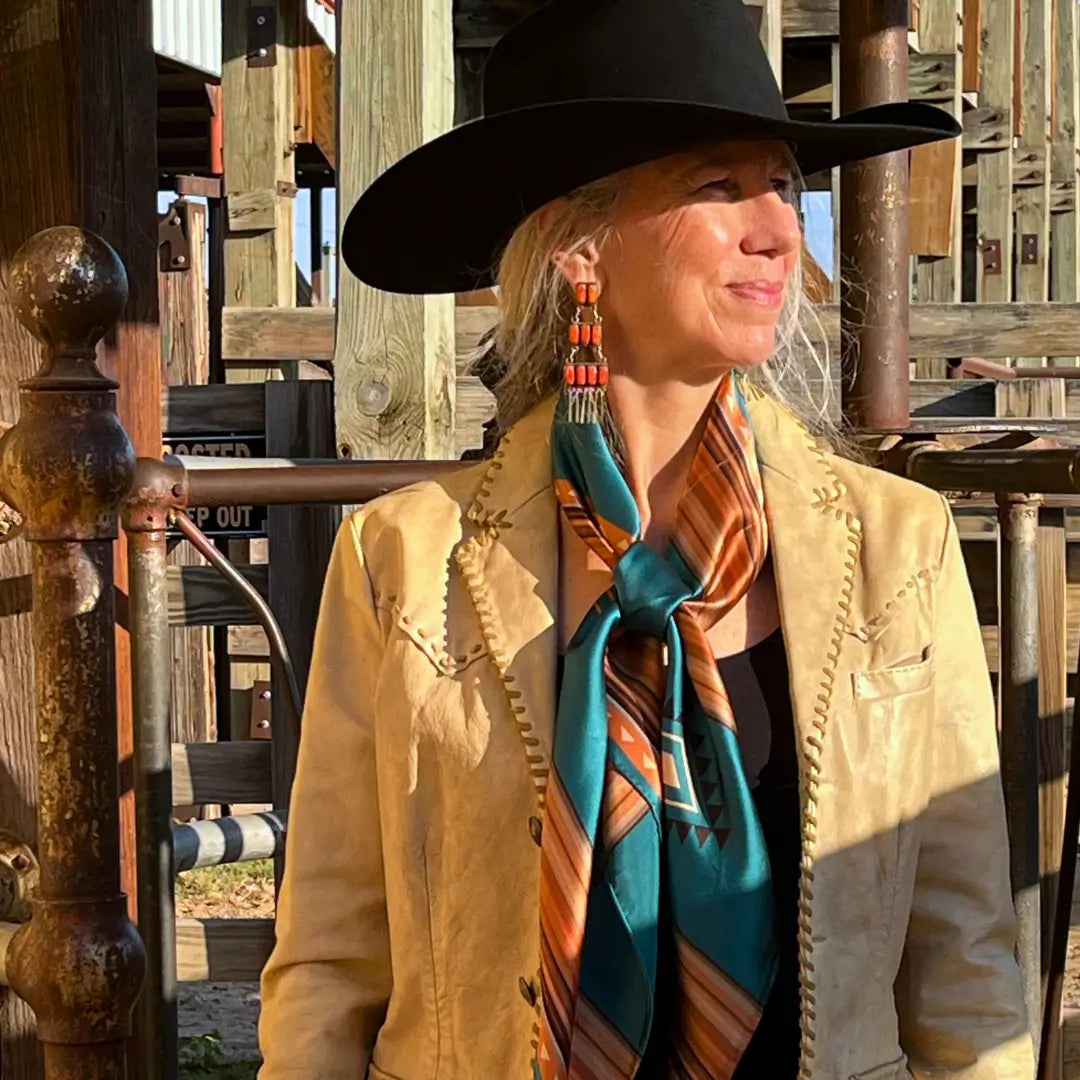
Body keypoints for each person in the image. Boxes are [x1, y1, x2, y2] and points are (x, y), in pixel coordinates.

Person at [257, 1, 1033, 1078]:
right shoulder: (404, 559)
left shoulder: (896, 546)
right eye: (721, 186)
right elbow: (333, 959)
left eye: (782, 183)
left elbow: (963, 955)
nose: (778, 227)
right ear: (581, 248)